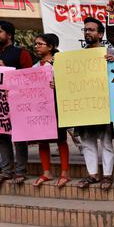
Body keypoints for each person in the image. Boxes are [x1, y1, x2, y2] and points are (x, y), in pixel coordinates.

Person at [76, 17, 114, 191]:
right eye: (86, 30)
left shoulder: (110, 52)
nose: (88, 33)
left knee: (106, 142)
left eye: (92, 30)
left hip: (103, 105)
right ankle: (92, 175)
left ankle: (107, 175)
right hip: (86, 106)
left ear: (100, 34)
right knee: (87, 141)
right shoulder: (78, 57)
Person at [31, 33, 71, 188]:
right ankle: (46, 172)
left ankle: (65, 173)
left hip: (57, 107)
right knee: (42, 140)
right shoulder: (35, 66)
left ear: (51, 47)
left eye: (40, 44)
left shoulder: (60, 63)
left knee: (61, 139)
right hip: (41, 109)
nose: (36, 46)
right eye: (35, 44)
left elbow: (71, 83)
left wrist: (59, 85)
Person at [0, 20, 32, 185]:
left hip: (17, 102)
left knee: (19, 136)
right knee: (2, 137)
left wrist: (7, 69)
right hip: (0, 104)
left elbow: (29, 78)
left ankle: (20, 171)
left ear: (9, 34)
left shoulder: (22, 53)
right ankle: (6, 171)